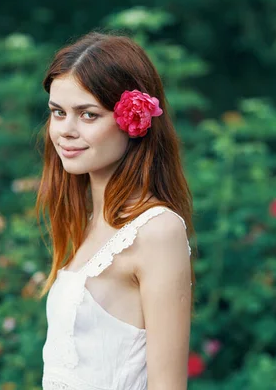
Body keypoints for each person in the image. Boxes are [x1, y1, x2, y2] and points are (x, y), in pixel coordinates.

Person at [35, 31, 195, 390]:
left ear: (133, 121)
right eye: (58, 112)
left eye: (88, 115)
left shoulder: (157, 231)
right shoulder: (89, 222)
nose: (65, 131)